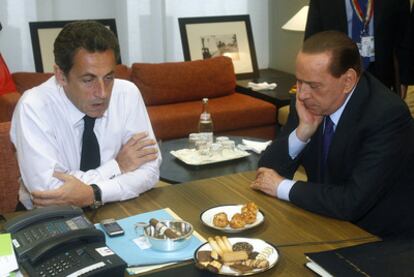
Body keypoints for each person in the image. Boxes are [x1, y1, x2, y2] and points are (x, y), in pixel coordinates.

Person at [251, 31, 414, 238]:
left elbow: (352, 202)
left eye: (314, 85)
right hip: (322, 219)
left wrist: (282, 186)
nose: (302, 94)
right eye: (299, 81)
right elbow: (267, 170)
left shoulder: (387, 116)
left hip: (378, 236)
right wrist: (302, 133)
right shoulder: (307, 101)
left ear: (348, 81)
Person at [10, 21, 161, 210]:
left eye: (109, 77)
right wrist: (116, 167)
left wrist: (95, 194)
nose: (102, 93)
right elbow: (49, 192)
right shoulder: (33, 107)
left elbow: (150, 169)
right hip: (47, 216)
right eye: (88, 80)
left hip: (114, 204)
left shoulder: (127, 94)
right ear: (60, 75)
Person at [304, 0, 412, 97]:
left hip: (379, 75)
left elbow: (404, 38)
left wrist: (403, 80)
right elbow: (312, 40)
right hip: (338, 72)